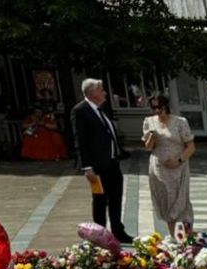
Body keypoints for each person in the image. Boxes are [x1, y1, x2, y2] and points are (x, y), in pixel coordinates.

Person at [71, 78, 132, 243]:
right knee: (100, 200)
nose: (104, 92)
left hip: (112, 163)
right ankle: (99, 235)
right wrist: (87, 167)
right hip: (97, 167)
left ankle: (118, 231)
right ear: (91, 93)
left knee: (116, 198)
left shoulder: (100, 110)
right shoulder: (81, 110)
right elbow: (81, 141)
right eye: (101, 89)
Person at [142, 93, 196, 239]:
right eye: (153, 107)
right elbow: (148, 148)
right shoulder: (149, 121)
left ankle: (186, 237)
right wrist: (151, 138)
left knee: (181, 201)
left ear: (166, 105)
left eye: (159, 106)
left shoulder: (180, 122)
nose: (156, 110)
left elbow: (191, 147)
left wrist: (179, 160)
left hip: (179, 167)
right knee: (166, 201)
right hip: (159, 168)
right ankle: (175, 238)